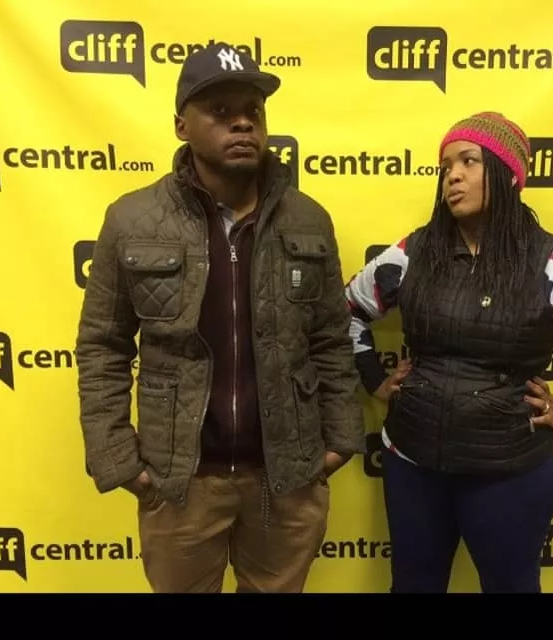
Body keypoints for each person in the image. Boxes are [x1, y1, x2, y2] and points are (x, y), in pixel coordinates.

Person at [75, 42, 365, 593]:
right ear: (181, 125)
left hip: (287, 480)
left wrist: (339, 442)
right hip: (180, 483)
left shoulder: (308, 220)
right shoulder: (132, 219)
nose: (242, 123)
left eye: (253, 111)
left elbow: (330, 338)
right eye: (220, 111)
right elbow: (103, 346)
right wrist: (118, 459)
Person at [344, 112, 553, 593]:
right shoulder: (414, 253)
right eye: (446, 166)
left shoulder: (551, 263)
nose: (453, 176)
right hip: (412, 463)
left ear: (508, 173)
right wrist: (374, 378)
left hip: (509, 473)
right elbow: (346, 311)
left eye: (468, 161)